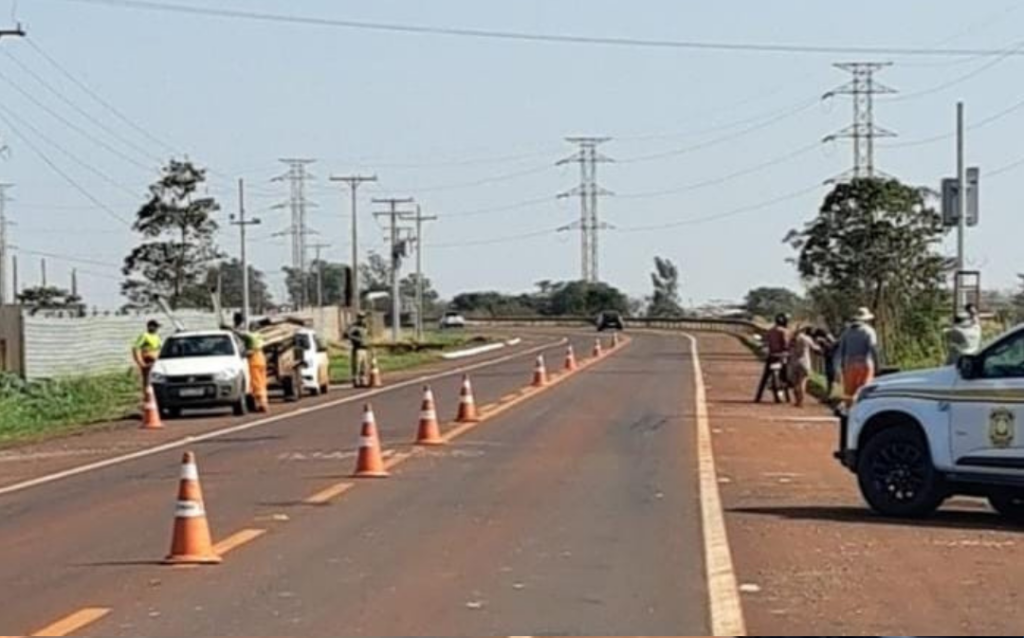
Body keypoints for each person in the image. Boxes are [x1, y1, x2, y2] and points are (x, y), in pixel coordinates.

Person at [835, 307, 880, 405]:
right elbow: (873, 348)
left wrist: (837, 368)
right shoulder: (869, 331)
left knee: (849, 392)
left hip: (849, 364)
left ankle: (848, 411)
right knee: (864, 389)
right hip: (865, 362)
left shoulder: (846, 332)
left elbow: (840, 351)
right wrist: (878, 365)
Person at [234, 313, 268, 413]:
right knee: (262, 382)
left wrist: (232, 329)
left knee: (256, 383)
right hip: (261, 359)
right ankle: (263, 402)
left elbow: (243, 335)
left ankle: (261, 404)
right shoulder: (260, 336)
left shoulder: (253, 336)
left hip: (255, 361)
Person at [755, 314, 792, 403]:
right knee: (786, 375)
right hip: (782, 356)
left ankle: (758, 397)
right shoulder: (785, 331)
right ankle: (787, 394)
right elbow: (787, 344)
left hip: (772, 355)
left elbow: (765, 341)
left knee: (765, 377)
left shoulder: (770, 331)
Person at [789, 327, 821, 408]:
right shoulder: (807, 339)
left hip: (794, 362)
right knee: (802, 382)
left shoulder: (792, 339)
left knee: (795, 384)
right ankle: (801, 402)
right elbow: (815, 348)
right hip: (804, 362)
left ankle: (796, 401)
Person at [132, 320, 163, 392]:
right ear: (150, 326)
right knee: (147, 380)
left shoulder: (157, 336)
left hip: (156, 362)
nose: (157, 329)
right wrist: (141, 362)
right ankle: (146, 395)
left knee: (156, 380)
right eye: (155, 327)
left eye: (157, 327)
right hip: (148, 362)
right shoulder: (144, 336)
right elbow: (136, 348)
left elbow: (160, 348)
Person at [346, 312, 371, 388]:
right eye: (361, 317)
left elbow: (366, 337)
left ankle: (363, 381)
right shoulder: (354, 327)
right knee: (357, 366)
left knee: (364, 366)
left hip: (365, 348)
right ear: (358, 318)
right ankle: (356, 381)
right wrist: (357, 340)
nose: (362, 319)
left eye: (363, 317)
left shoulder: (365, 327)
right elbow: (347, 335)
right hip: (358, 349)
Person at [813, 328, 838, 398]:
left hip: (833, 359)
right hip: (829, 358)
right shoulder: (824, 339)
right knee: (829, 377)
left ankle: (831, 394)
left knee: (831, 376)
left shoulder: (828, 338)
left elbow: (834, 346)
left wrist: (824, 343)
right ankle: (829, 393)